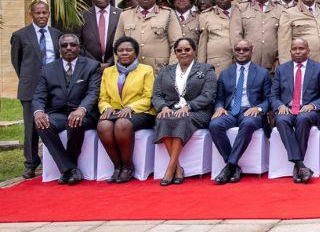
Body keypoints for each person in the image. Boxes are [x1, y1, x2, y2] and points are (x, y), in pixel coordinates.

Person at [31, 34, 101, 184]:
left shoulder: (92, 66)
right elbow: (39, 95)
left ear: (79, 47)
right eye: (64, 45)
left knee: (74, 121)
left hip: (84, 113)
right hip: (58, 112)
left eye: (72, 44)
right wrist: (38, 112)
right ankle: (68, 169)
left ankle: (69, 166)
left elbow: (93, 92)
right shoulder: (48, 69)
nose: (69, 48)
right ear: (59, 49)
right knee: (43, 124)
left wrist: (82, 109)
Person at [151, 38, 217, 186]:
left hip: (198, 111)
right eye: (179, 50)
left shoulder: (206, 69)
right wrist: (163, 107)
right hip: (171, 109)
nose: (183, 53)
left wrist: (189, 106)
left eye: (187, 49)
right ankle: (178, 168)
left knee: (182, 119)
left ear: (194, 51)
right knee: (162, 119)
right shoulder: (165, 71)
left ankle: (170, 169)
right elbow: (156, 95)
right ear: (175, 53)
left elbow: (209, 94)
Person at [10, 1, 62, 178]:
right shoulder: (20, 35)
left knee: (55, 123)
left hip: (54, 88)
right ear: (31, 14)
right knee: (31, 128)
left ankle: (57, 162)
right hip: (30, 89)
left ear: (49, 13)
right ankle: (31, 164)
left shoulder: (57, 35)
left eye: (44, 13)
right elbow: (17, 62)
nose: (41, 16)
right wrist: (29, 80)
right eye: (38, 13)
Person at [270, 38, 320, 183]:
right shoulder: (281, 69)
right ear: (290, 51)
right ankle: (300, 165)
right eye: (295, 49)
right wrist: (279, 106)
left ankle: (297, 166)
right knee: (280, 119)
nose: (298, 52)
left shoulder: (318, 69)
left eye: (301, 48)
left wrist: (313, 105)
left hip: (308, 110)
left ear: (308, 51)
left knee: (303, 118)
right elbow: (273, 95)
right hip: (287, 109)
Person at [208, 40, 271, 184]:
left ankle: (229, 166)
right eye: (238, 50)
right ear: (234, 51)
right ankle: (234, 166)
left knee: (248, 123)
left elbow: (269, 99)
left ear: (252, 50)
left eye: (245, 50)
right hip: (230, 112)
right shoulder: (225, 74)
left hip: (251, 111)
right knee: (214, 125)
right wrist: (219, 108)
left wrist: (259, 108)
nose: (241, 53)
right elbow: (219, 98)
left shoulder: (262, 73)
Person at [96, 37, 157, 182]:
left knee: (122, 124)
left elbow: (149, 97)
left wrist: (131, 107)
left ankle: (128, 167)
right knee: (103, 125)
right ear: (116, 53)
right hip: (115, 111)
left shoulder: (146, 70)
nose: (124, 53)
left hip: (141, 112)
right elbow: (102, 98)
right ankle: (117, 167)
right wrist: (107, 108)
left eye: (128, 50)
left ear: (135, 53)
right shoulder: (108, 72)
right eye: (121, 50)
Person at [114, 0, 183, 72]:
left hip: (159, 70)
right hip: (132, 70)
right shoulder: (125, 15)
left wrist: (171, 69)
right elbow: (117, 44)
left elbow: (177, 44)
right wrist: (120, 68)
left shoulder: (168, 14)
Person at [231, 0, 281, 72]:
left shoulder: (280, 9)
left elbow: (284, 37)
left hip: (272, 63)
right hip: (248, 61)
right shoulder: (241, 8)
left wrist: (280, 58)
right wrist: (239, 54)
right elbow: (235, 34)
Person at [197, 0, 238, 74]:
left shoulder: (240, 11)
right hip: (217, 65)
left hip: (240, 61)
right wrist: (201, 67)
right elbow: (202, 43)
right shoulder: (206, 15)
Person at [79, 0, 121, 67]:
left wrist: (110, 62)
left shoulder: (120, 14)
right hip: (88, 66)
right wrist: (95, 64)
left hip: (115, 65)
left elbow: (124, 40)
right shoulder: (82, 15)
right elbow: (78, 43)